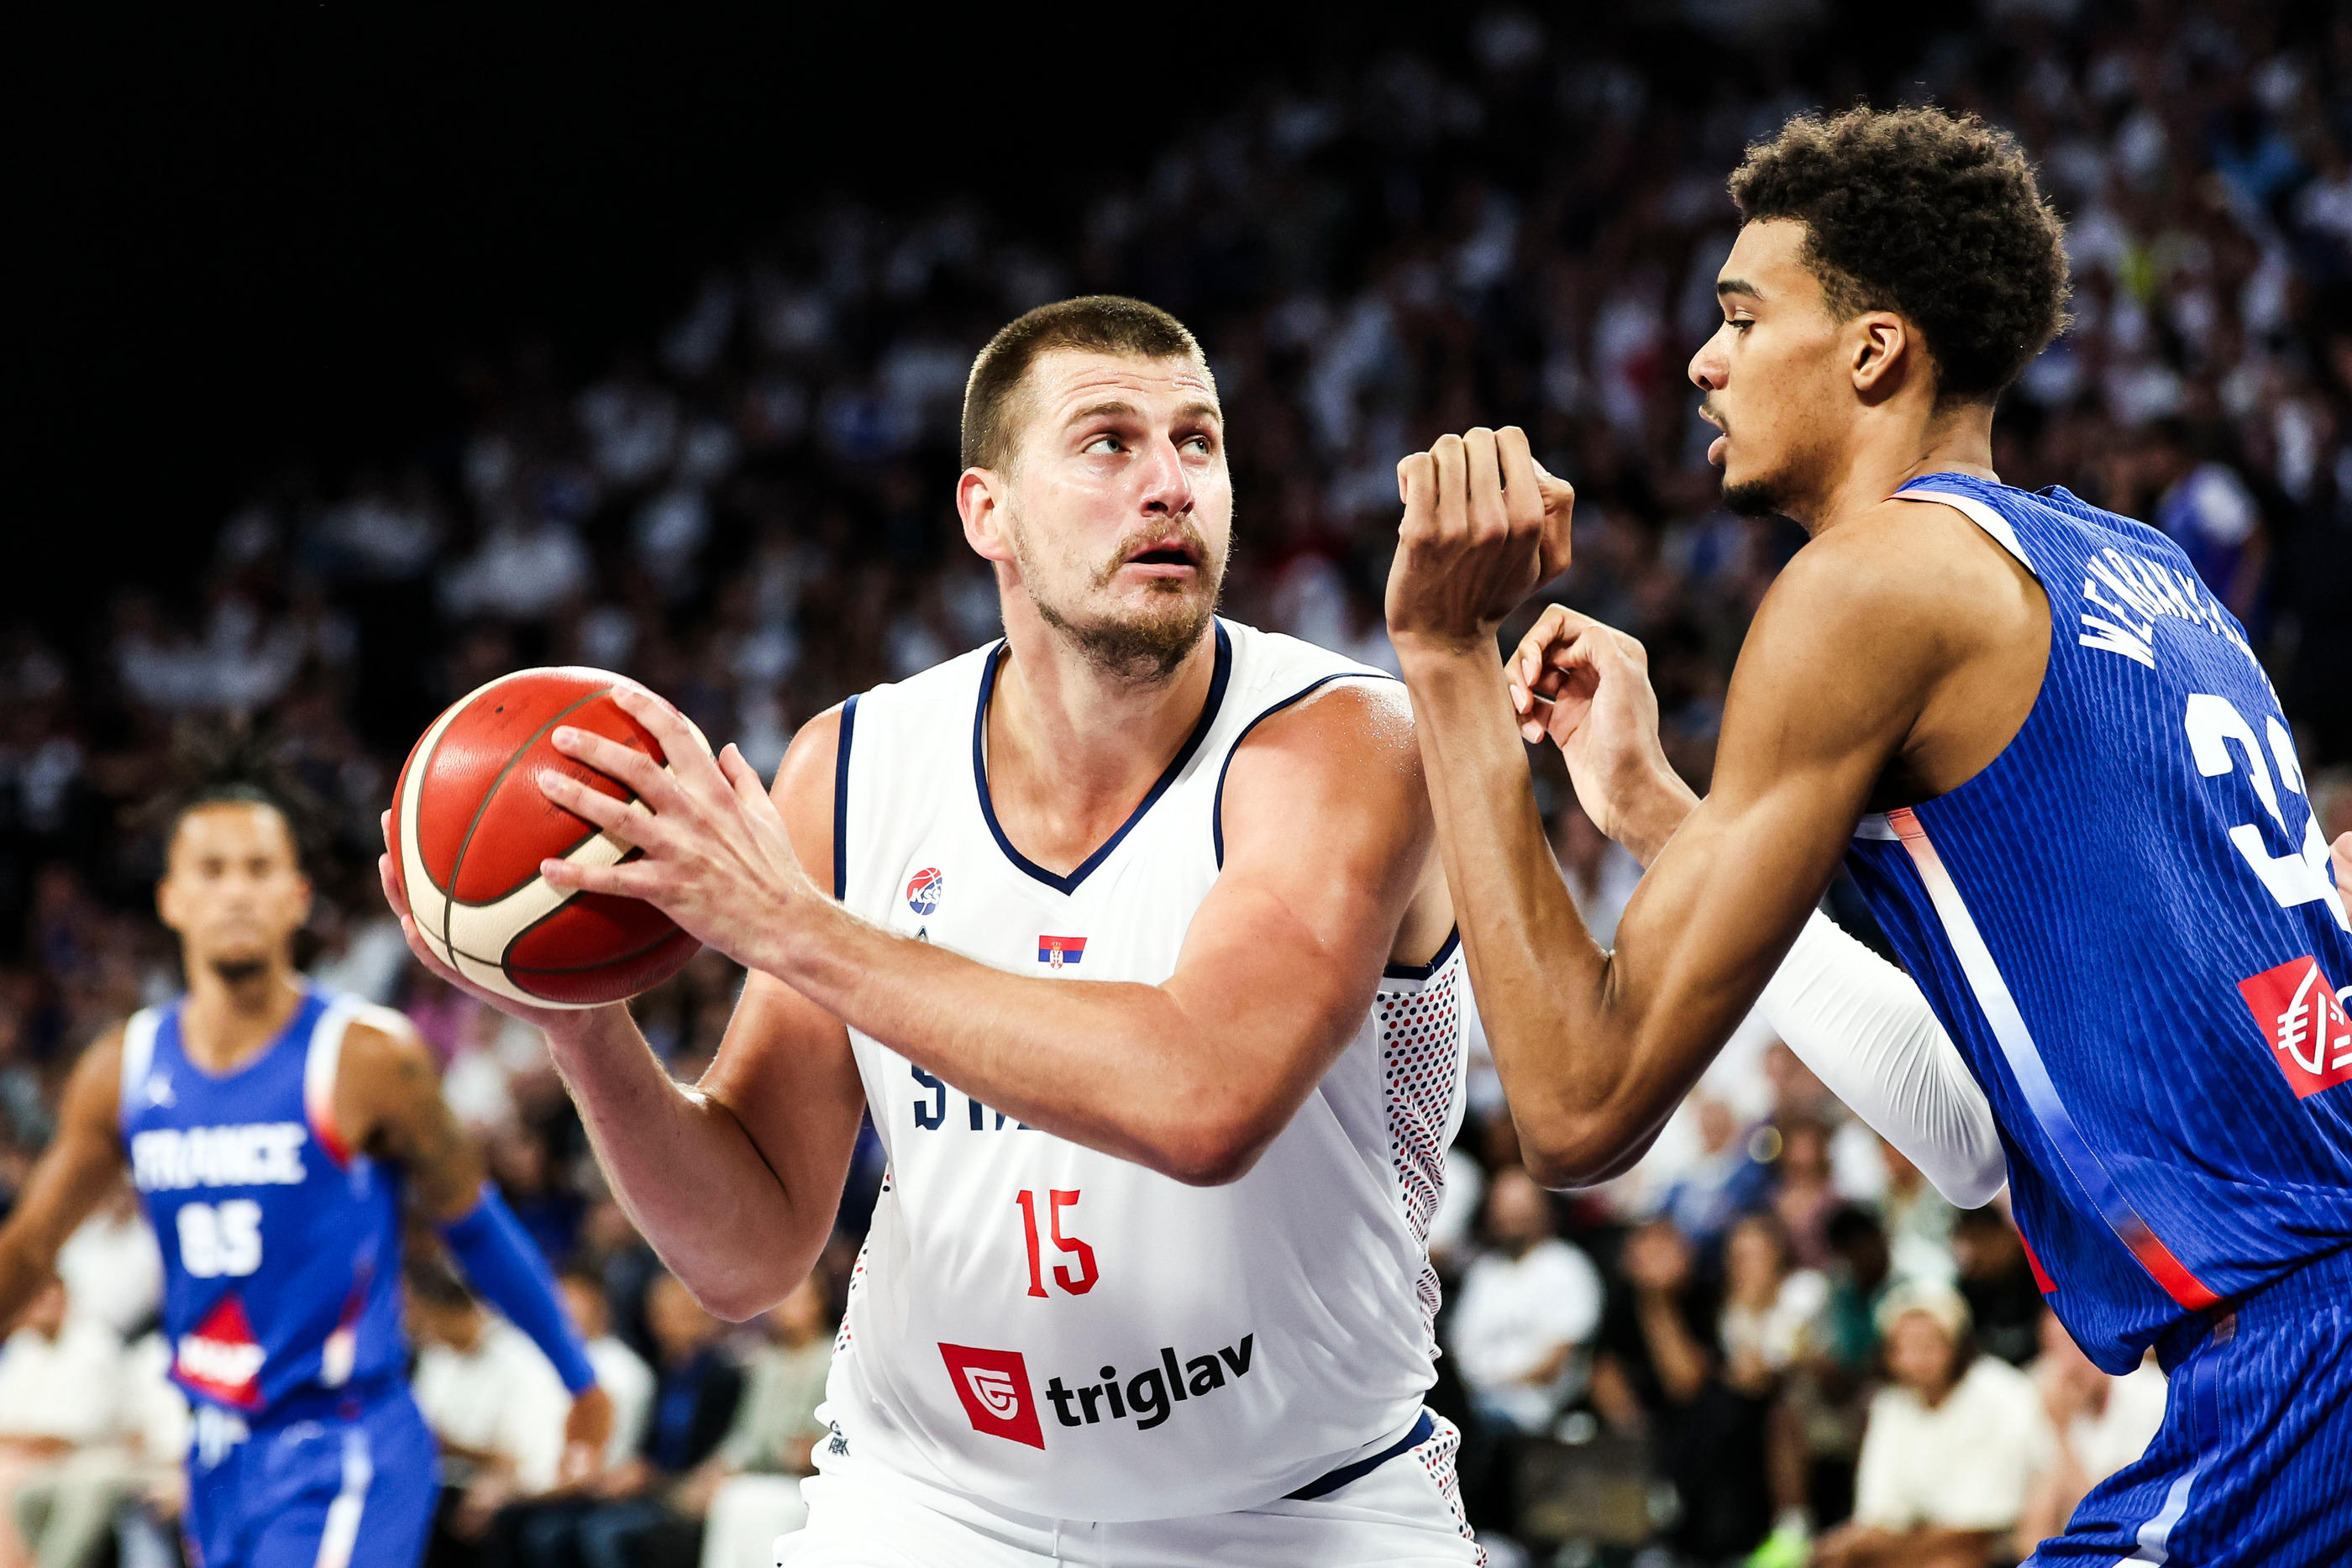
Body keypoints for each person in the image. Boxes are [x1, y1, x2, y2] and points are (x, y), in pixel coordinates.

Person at [1383, 102, 2352, 1563]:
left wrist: (1449, 658)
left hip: (2302, 1366)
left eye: (1741, 314)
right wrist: (1653, 809)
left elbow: (1576, 1104)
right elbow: (1972, 1134)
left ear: (1873, 350)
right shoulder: (2140, 570)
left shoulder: (1866, 585)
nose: (1706, 360)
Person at [378, 296, 1479, 1565]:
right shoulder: (856, 766)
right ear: (986, 513)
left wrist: (793, 926)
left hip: (1297, 1508)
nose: (1172, 483)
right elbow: (747, 1252)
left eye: (1200, 440)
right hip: (933, 1498)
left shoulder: (1347, 741)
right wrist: (582, 1025)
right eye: (1109, 443)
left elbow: (1206, 1098)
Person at [0, 741, 612, 1568]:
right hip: (215, 1451)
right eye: (211, 869)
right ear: (170, 898)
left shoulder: (366, 1057)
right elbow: (34, 1244)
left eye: (258, 868)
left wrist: (577, 1376)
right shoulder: (124, 1067)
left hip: (344, 1440)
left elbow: (475, 1225)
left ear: (298, 896)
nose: (236, 890)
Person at [1815, 1283, 2050, 1568]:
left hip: (2006, 1551)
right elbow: (1880, 1516)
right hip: (1921, 1547)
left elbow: (1981, 1534)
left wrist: (1877, 1552)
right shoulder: (1890, 1405)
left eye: (1928, 1345)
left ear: (1956, 1345)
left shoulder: (2002, 1395)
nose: (1917, 1360)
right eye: (1905, 1348)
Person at [1446, 1164, 1602, 1436]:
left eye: (1520, 1205)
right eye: (1502, 1206)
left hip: (1534, 1410)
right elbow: (1459, 1350)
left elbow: (1557, 1362)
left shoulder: (1566, 1265)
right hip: (1471, 1402)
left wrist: (1493, 1384)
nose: (1510, 1215)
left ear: (1543, 1208)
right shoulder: (1483, 1272)